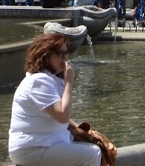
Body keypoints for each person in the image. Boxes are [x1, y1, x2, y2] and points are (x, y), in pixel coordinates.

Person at [7, 31, 101, 166]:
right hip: (31, 149)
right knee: (92, 154)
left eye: (66, 53)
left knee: (93, 146)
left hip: (45, 144)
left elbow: (59, 116)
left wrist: (81, 131)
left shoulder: (51, 79)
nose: (65, 58)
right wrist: (69, 81)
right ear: (45, 56)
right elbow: (62, 115)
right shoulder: (39, 81)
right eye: (60, 54)